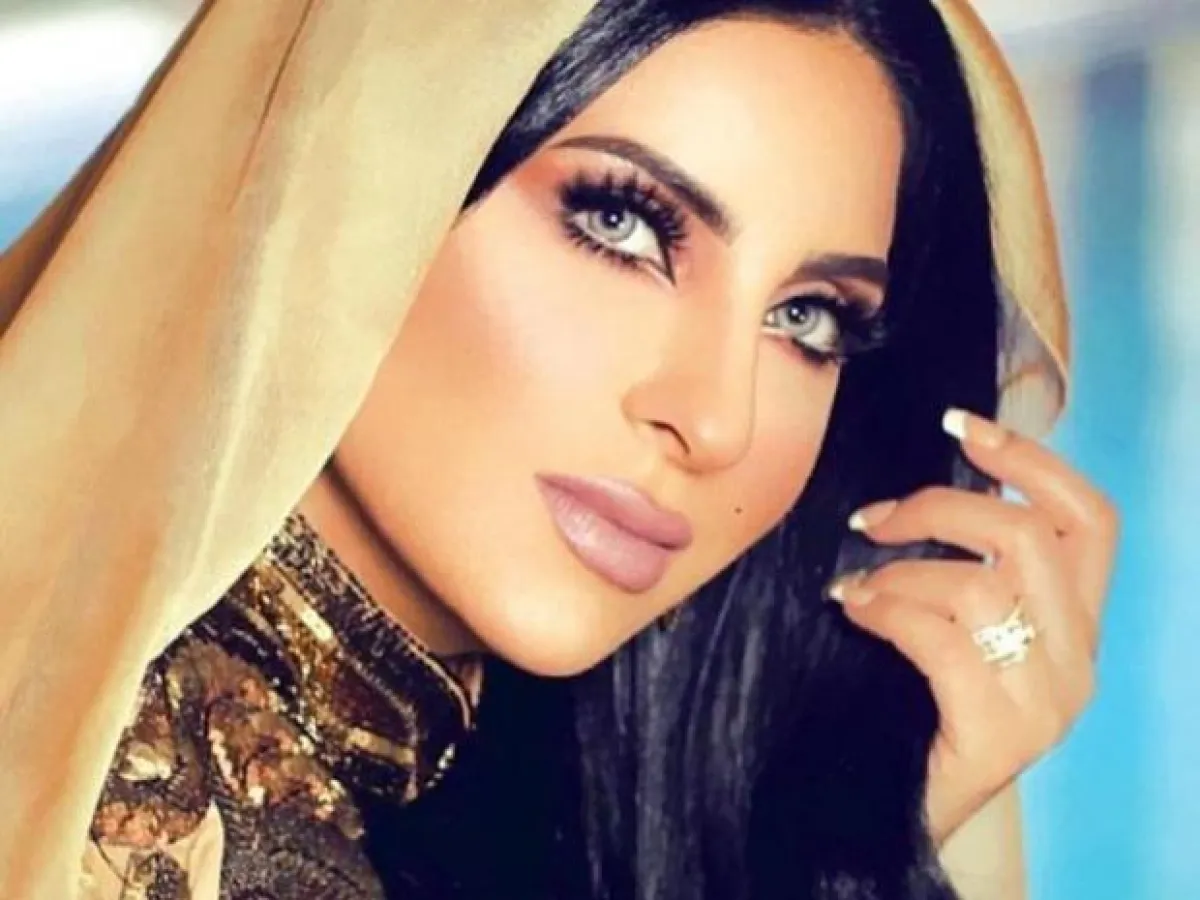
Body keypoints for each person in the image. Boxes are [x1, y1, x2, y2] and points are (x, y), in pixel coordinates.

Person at [0, 0, 1119, 898]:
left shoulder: (449, 783)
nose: (717, 422)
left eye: (807, 318)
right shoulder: (133, 822)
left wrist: (860, 823)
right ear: (353, 183)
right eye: (622, 224)